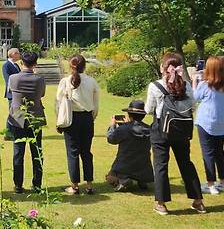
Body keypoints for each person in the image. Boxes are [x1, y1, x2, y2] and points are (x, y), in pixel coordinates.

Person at [145, 53, 205, 215]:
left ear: (162, 68)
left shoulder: (155, 86)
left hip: (161, 129)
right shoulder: (185, 85)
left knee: (160, 165)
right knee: (186, 163)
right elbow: (193, 106)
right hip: (182, 129)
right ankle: (198, 201)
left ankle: (161, 203)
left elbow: (149, 110)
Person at [57, 54, 100, 195]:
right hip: (87, 118)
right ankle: (89, 185)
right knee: (86, 152)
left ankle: (74, 185)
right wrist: (91, 118)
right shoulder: (92, 82)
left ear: (70, 66)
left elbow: (59, 104)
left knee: (73, 153)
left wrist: (59, 120)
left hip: (71, 119)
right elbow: (96, 105)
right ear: (84, 66)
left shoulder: (65, 81)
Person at [7, 51, 46, 193]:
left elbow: (10, 92)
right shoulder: (39, 79)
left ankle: (18, 184)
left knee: (18, 153)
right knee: (37, 153)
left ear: (21, 63)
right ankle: (37, 184)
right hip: (35, 118)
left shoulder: (13, 78)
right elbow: (42, 94)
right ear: (35, 63)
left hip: (17, 119)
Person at [193, 56, 224, 195]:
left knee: (208, 153)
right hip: (221, 123)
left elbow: (194, 98)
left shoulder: (205, 85)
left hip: (206, 122)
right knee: (219, 153)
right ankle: (223, 183)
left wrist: (194, 81)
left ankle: (210, 184)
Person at [105, 100, 154, 192]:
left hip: (124, 167)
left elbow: (111, 139)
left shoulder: (124, 129)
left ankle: (123, 181)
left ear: (129, 114)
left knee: (109, 177)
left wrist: (112, 126)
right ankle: (142, 181)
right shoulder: (149, 129)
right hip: (144, 167)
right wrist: (128, 124)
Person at [2, 48, 21, 140]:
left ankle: (12, 132)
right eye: (17, 53)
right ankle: (8, 134)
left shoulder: (16, 65)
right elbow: (8, 79)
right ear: (12, 54)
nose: (19, 55)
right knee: (12, 113)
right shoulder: (6, 65)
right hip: (12, 93)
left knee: (16, 113)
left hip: (18, 93)